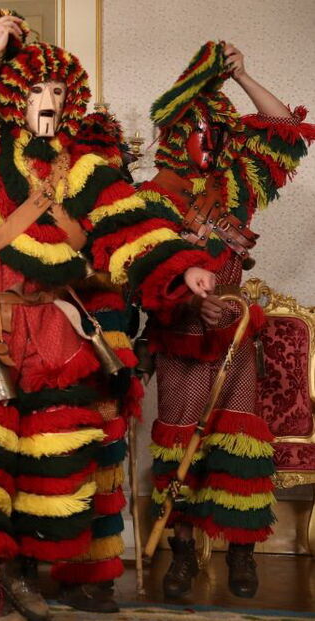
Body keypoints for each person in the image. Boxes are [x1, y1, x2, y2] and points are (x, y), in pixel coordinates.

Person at [0, 11, 217, 619]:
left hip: (53, 329)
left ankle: (22, 576)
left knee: (50, 459)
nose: (48, 100)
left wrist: (185, 268)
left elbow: (133, 224)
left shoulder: (85, 169)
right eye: (38, 90)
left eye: (58, 92)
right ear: (16, 97)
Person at [140, 41, 314, 599]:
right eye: (196, 129)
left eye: (216, 130)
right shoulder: (151, 200)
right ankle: (184, 554)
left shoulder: (239, 190)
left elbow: (286, 126)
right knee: (179, 444)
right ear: (175, 136)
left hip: (236, 333)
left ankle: (243, 552)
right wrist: (191, 301)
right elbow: (140, 270)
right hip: (178, 333)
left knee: (237, 442)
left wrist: (240, 75)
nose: (208, 141)